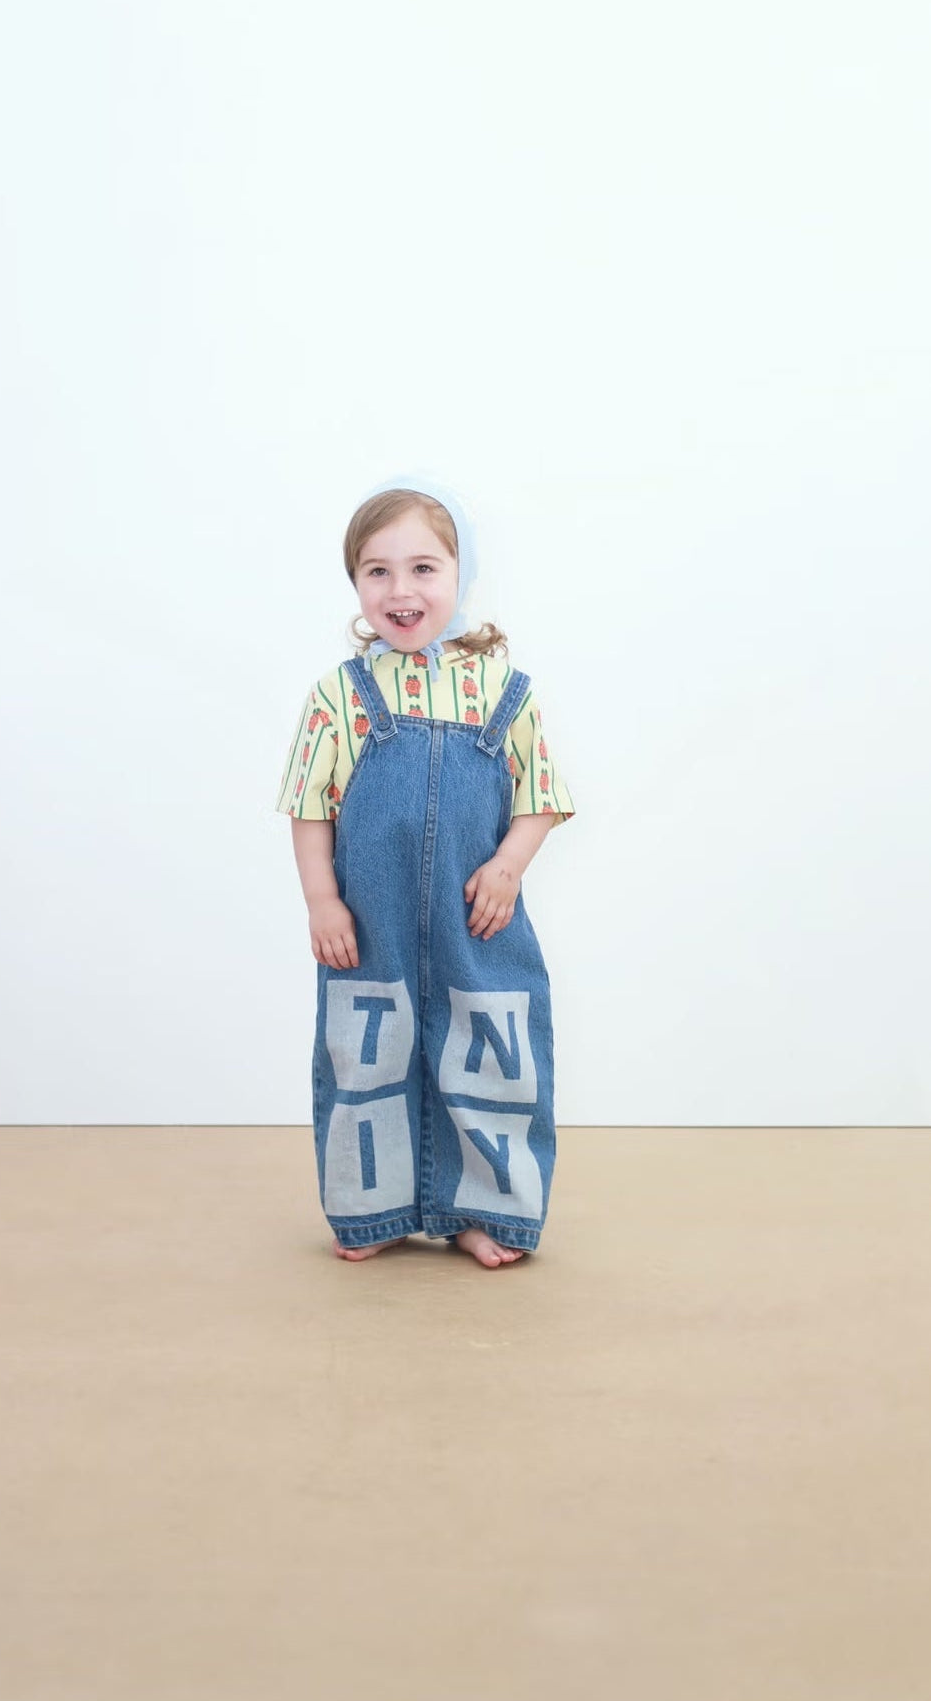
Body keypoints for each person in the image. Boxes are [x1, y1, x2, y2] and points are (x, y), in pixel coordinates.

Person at [276, 475, 575, 1268]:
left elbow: (541, 798)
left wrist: (509, 865)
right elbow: (309, 808)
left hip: (476, 921)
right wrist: (322, 902)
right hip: (369, 925)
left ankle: (483, 1212)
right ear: (355, 583)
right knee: (367, 1062)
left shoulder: (504, 692)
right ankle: (374, 1210)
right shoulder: (340, 696)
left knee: (489, 1056)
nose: (400, 590)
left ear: (459, 574)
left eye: (423, 568)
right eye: (377, 571)